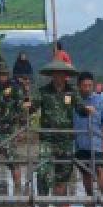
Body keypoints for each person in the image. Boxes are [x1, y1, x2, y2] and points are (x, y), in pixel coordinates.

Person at [32, 59, 80, 196]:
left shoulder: (72, 91)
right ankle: (42, 203)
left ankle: (60, 205)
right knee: (43, 170)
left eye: (61, 74)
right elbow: (33, 106)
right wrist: (28, 107)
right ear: (52, 75)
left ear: (65, 75)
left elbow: (81, 108)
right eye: (56, 74)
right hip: (48, 138)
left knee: (64, 172)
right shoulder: (43, 91)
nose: (58, 77)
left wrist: (87, 109)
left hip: (66, 138)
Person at [0, 61, 29, 194]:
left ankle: (18, 189)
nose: (2, 77)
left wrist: (22, 128)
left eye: (4, 74)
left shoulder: (15, 87)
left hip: (8, 131)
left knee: (13, 162)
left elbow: (22, 108)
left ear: (7, 74)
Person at [75, 71, 103, 197]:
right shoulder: (74, 101)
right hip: (80, 143)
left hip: (97, 142)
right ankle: (89, 199)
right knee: (85, 171)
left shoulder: (100, 100)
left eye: (89, 85)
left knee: (100, 169)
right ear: (78, 86)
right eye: (84, 85)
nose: (87, 88)